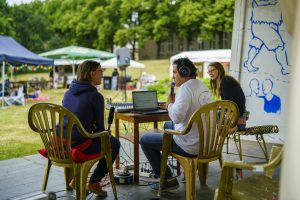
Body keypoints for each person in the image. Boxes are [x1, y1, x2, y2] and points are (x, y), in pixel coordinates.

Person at [140, 58, 212, 191]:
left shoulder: (185, 89)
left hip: (191, 146)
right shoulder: (202, 86)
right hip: (207, 144)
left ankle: (168, 179)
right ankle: (185, 169)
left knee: (144, 140)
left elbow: (178, 118)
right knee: (168, 125)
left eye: (174, 72)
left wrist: (170, 105)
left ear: (184, 72)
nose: (173, 76)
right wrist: (173, 105)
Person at [62, 60, 120, 197]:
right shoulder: (95, 96)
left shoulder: (67, 93)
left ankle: (76, 180)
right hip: (79, 144)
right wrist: (105, 132)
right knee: (113, 143)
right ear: (92, 73)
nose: (102, 74)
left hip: (62, 142)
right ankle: (94, 182)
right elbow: (100, 130)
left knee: (104, 139)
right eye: (100, 71)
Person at [207, 62, 246, 133]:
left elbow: (228, 105)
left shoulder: (225, 81)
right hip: (236, 121)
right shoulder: (224, 81)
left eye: (212, 70)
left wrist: (234, 124)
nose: (210, 73)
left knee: (211, 114)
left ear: (219, 70)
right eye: (209, 71)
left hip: (235, 123)